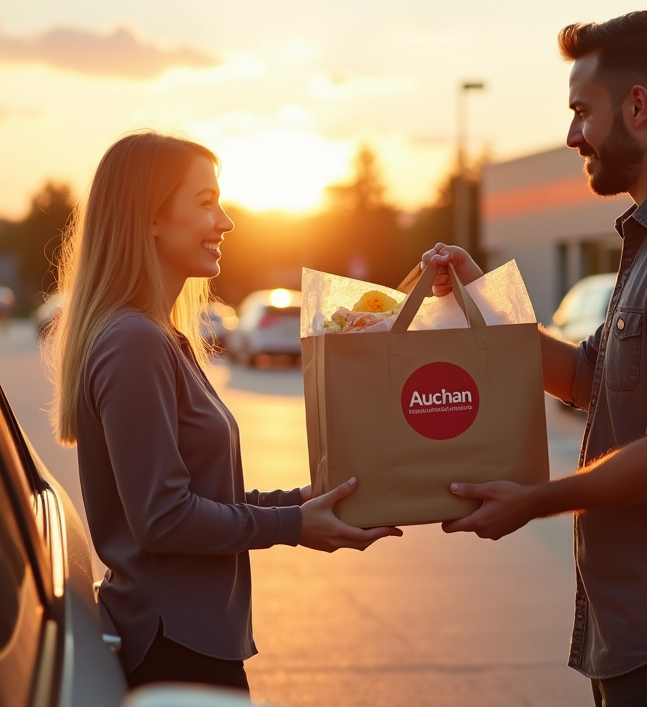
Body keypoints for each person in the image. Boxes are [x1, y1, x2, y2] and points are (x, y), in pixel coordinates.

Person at [425, 11, 647, 706]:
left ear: (638, 106)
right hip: (641, 634)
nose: (570, 134)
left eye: (581, 111)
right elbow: (591, 380)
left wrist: (537, 500)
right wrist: (483, 305)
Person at [48, 132, 401, 692]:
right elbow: (163, 518)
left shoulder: (157, 337)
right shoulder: (134, 341)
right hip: (173, 647)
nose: (226, 222)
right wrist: (292, 526)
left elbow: (202, 499)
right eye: (206, 201)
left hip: (193, 639)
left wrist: (305, 503)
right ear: (153, 218)